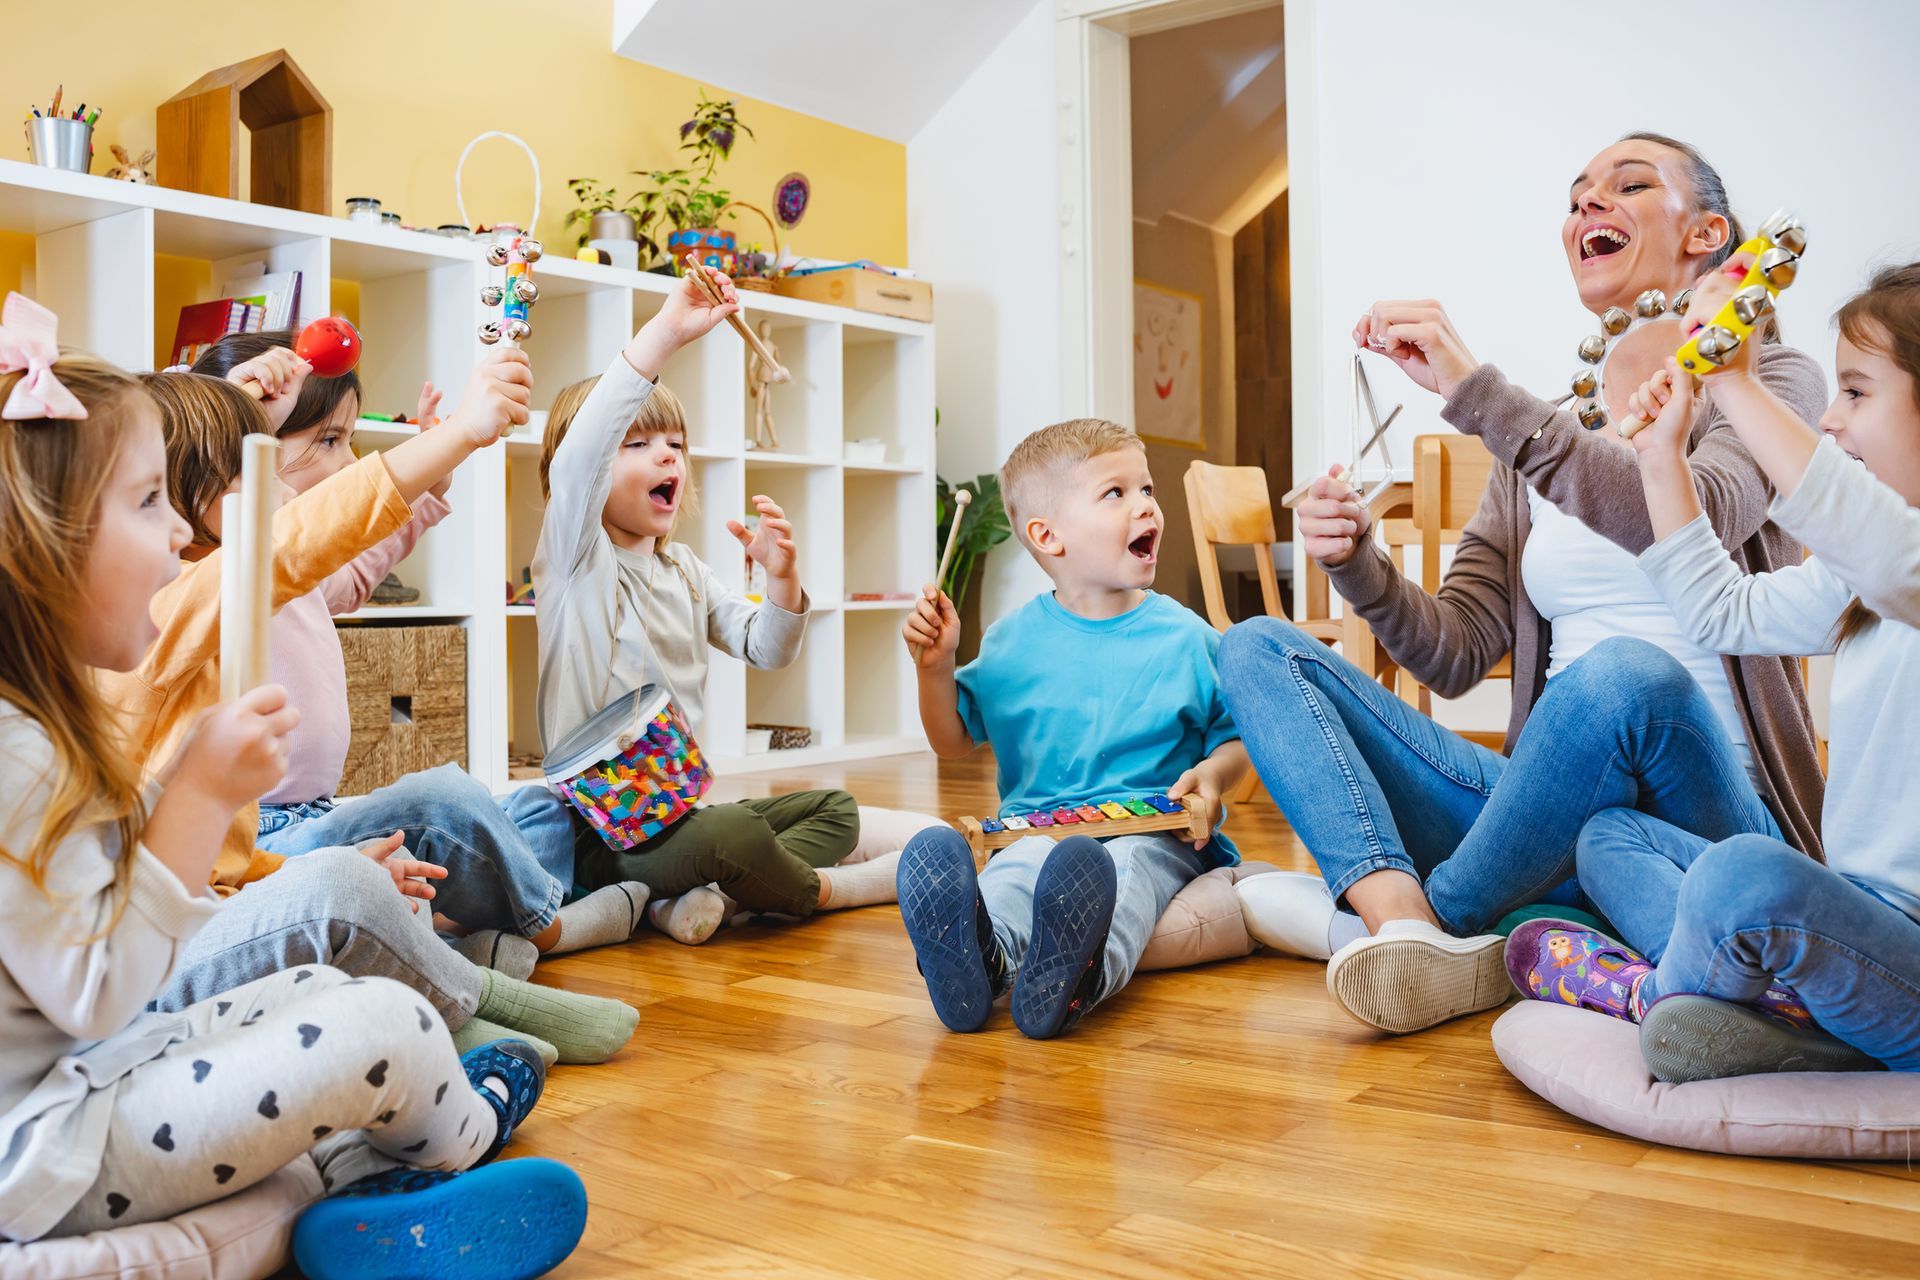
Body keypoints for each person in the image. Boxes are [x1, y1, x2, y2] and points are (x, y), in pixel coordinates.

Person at [0, 314, 583, 1278]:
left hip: (91, 1085)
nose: (182, 531)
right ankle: (451, 1144)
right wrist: (194, 797)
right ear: (46, 550)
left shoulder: (45, 719)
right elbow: (103, 995)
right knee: (377, 1029)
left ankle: (361, 1185)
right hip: (53, 1145)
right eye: (149, 505)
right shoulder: (20, 750)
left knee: (323, 993)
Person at [1221, 132, 1828, 1035]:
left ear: (1707, 233)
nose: (1588, 205)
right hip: (1541, 815)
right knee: (1258, 648)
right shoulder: (1539, 434)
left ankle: (1449, 921)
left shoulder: (1766, 382)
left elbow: (1698, 517)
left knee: (1626, 677)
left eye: (1627, 185)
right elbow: (1455, 654)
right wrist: (1357, 561)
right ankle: (1405, 926)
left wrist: (1475, 391)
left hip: (1707, 817)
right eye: (1577, 194)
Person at [1510, 262, 1920, 1082]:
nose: (1831, 422)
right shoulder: (1861, 581)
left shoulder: (1890, 562)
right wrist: (1663, 457)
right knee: (1610, 835)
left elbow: (1870, 533)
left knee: (1743, 874)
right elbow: (1722, 612)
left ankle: (1655, 993)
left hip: (1906, 960)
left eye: (1856, 393)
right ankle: (1780, 1013)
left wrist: (1735, 380)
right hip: (1851, 923)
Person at [532, 270, 895, 944]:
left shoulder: (685, 570)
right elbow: (580, 457)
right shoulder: (576, 562)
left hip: (679, 811)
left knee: (835, 811)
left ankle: (691, 899)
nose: (666, 456)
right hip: (603, 830)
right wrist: (667, 332)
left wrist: (782, 580)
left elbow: (768, 648)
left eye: (675, 444)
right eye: (636, 444)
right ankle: (829, 892)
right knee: (734, 832)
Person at [895, 418, 1249, 1038]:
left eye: (1147, 490)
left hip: (1159, 832)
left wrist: (1215, 776)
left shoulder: (1189, 638)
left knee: (1128, 873)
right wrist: (936, 668)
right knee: (1012, 874)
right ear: (1047, 536)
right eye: (1116, 494)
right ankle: (988, 959)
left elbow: (1237, 733)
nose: (1146, 506)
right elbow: (951, 740)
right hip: (1038, 830)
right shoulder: (1009, 644)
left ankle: (1080, 978)